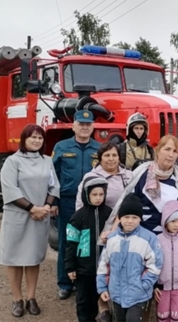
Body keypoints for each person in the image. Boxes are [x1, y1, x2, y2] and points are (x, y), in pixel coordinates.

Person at [102, 134, 178, 248]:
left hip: (170, 241)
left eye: (175, 151)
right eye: (167, 149)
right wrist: (113, 231)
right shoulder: (141, 174)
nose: (170, 154)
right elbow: (126, 207)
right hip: (140, 239)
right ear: (158, 151)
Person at [0, 124, 60, 317]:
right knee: (15, 259)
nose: (36, 141)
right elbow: (10, 189)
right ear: (24, 139)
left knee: (33, 259)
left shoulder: (46, 161)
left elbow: (54, 186)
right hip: (18, 215)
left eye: (40, 138)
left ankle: (31, 297)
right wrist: (32, 208)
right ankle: (17, 299)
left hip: (40, 216)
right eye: (32, 137)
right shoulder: (12, 161)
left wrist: (46, 208)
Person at [52, 110, 101, 300]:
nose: (84, 127)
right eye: (81, 124)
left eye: (88, 125)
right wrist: (54, 201)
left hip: (91, 203)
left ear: (93, 127)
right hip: (67, 202)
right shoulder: (62, 147)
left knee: (88, 242)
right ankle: (64, 283)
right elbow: (52, 177)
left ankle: (84, 282)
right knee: (67, 241)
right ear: (73, 126)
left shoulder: (99, 149)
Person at [97, 193, 163, 321]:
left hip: (138, 295)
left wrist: (143, 285)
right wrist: (102, 287)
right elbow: (103, 265)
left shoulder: (149, 239)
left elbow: (155, 265)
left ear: (140, 219)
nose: (130, 221)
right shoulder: (112, 239)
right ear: (120, 218)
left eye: (134, 217)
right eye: (126, 217)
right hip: (116, 293)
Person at [65, 177, 112, 322]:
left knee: (102, 297)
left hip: (104, 268)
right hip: (84, 269)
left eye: (101, 194)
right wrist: (70, 266)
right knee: (85, 302)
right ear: (86, 195)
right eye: (94, 195)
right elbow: (70, 244)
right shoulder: (78, 217)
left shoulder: (109, 214)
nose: (98, 198)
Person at [76, 142, 133, 209]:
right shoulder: (91, 177)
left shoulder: (130, 175)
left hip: (126, 218)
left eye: (114, 155)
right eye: (107, 155)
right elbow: (80, 203)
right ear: (100, 159)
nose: (111, 159)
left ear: (119, 158)